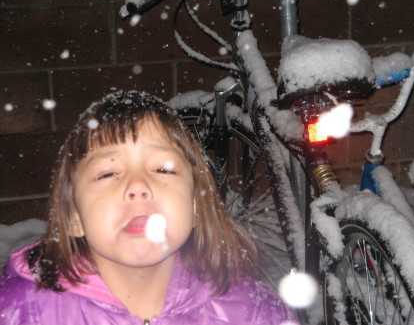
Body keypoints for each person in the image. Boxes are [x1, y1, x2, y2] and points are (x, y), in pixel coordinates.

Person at [0, 91, 299, 325]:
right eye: (107, 173)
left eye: (162, 169)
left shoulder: (256, 314)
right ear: (74, 216)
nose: (137, 185)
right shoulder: (18, 312)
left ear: (196, 205)